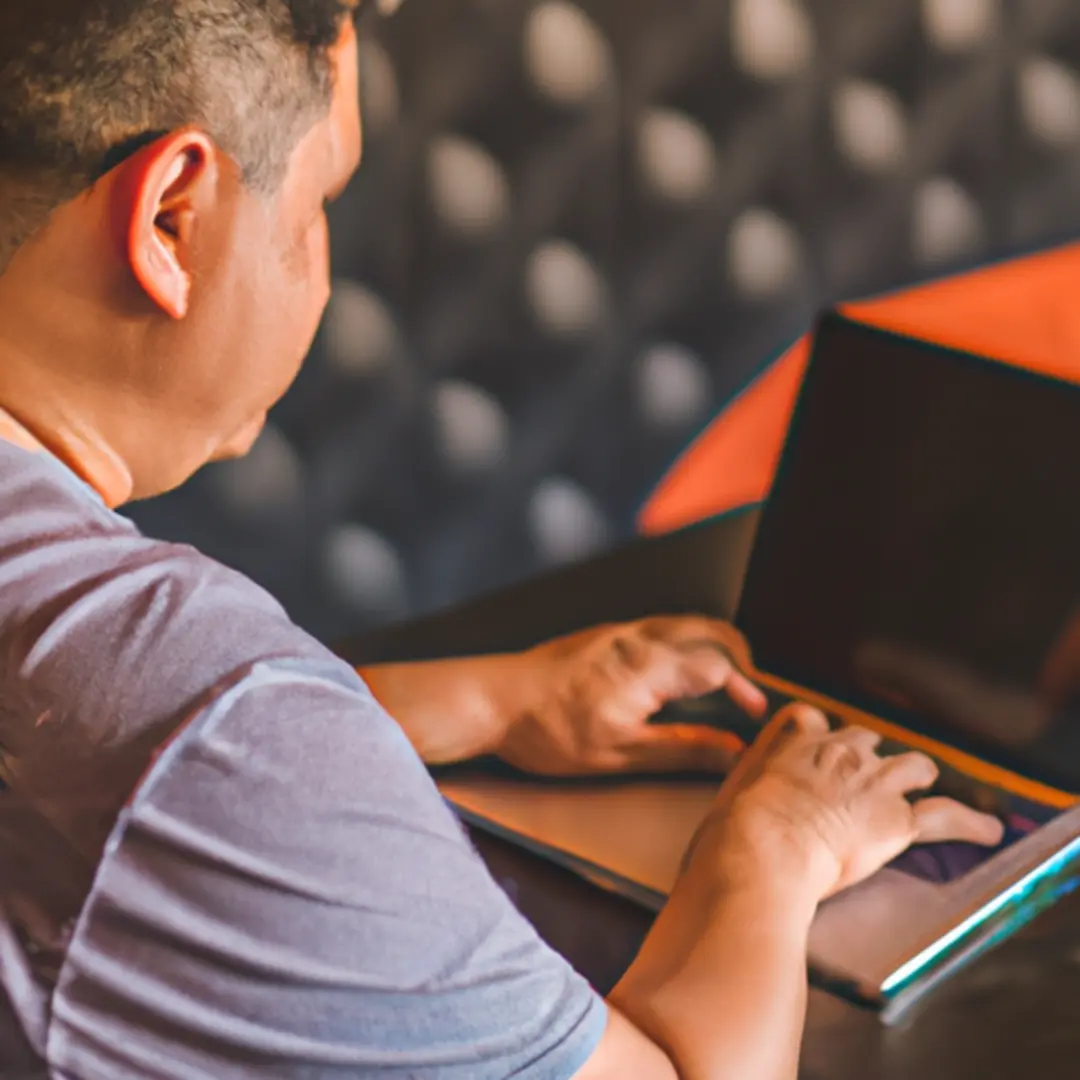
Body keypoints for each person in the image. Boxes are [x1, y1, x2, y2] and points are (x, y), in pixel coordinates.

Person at [0, 2, 1005, 1077]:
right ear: (170, 220)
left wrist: (493, 701)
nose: (322, 271)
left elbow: (143, 754)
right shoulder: (212, 725)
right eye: (316, 201)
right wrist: (774, 848)